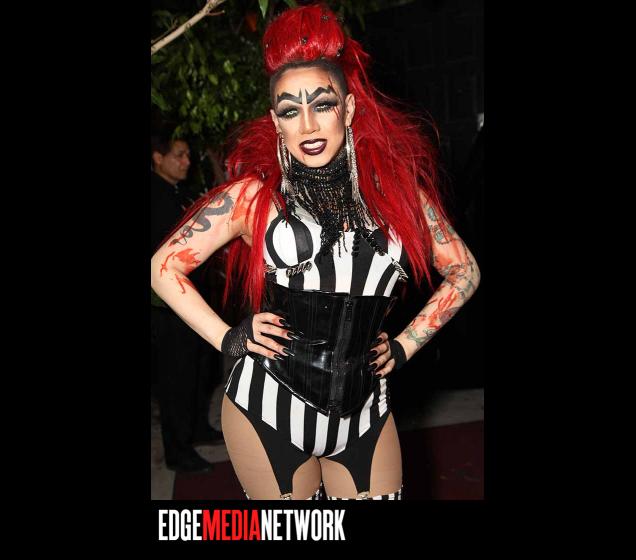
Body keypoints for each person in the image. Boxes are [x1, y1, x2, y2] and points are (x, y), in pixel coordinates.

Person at [151, 4, 480, 499]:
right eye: (290, 110)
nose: (307, 125)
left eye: (322, 105)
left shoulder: (401, 196)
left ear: (347, 109)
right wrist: (228, 339)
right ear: (275, 122)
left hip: (365, 413)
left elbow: (465, 271)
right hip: (267, 410)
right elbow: (162, 266)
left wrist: (406, 345)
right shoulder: (251, 198)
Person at [151, 131, 223, 474]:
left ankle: (196, 428)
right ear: (158, 158)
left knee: (201, 367)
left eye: (187, 155)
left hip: (193, 297)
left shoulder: (179, 191)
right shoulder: (155, 196)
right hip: (168, 306)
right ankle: (178, 451)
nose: (186, 161)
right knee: (176, 377)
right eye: (178, 155)